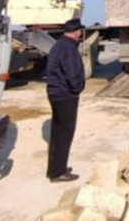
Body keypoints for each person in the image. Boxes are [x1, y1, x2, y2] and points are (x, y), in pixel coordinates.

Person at [46, 18, 86, 182]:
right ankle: (58, 172)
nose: (81, 33)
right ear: (76, 31)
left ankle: (55, 168)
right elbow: (72, 73)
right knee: (64, 133)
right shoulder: (69, 48)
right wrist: (77, 89)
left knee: (57, 133)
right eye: (80, 31)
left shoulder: (58, 45)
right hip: (65, 95)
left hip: (55, 93)